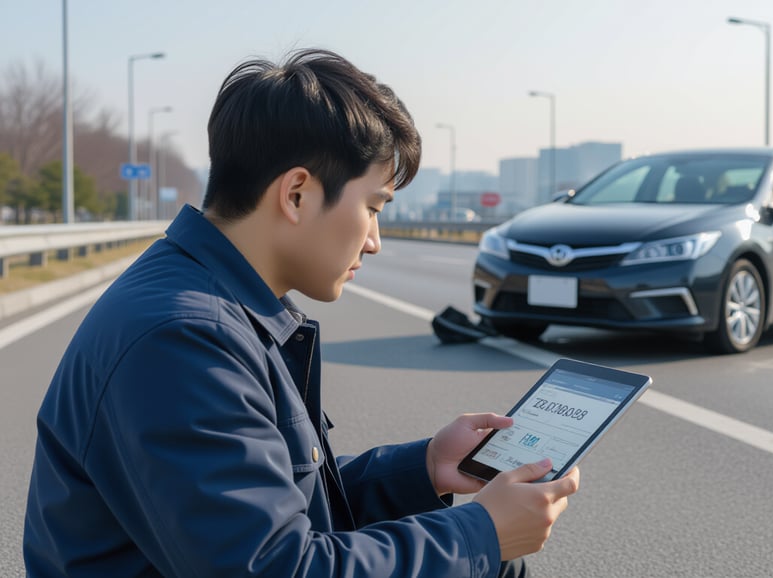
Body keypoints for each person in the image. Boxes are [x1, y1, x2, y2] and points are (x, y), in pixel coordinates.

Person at [23, 48, 579, 577]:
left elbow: (283, 510)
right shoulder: (184, 339)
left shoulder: (215, 304)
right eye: (372, 206)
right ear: (296, 194)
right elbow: (273, 565)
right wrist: (480, 533)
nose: (374, 240)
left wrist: (427, 467)